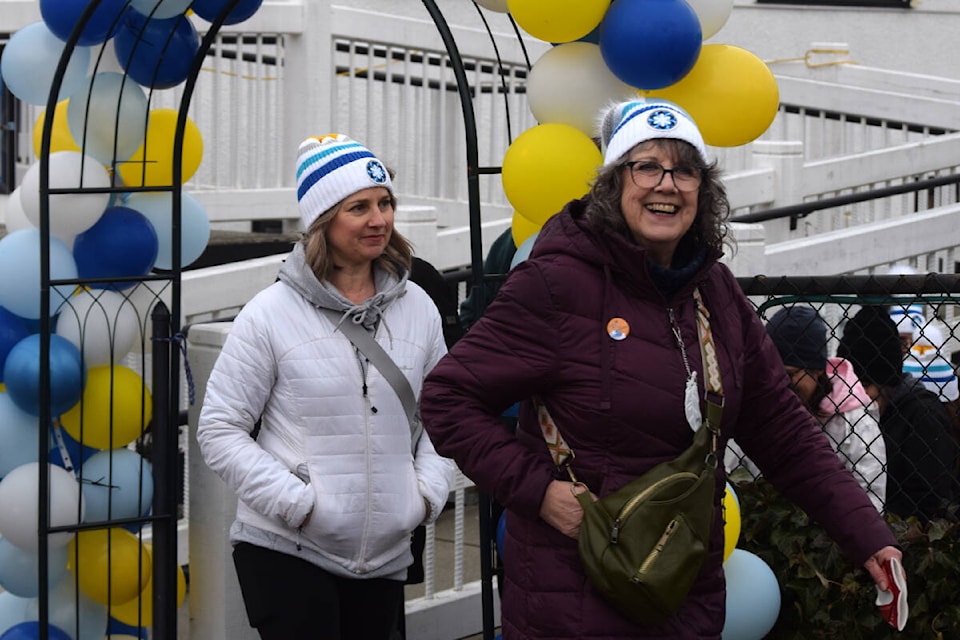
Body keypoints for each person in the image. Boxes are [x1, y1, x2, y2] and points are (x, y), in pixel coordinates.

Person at [419, 99, 902, 639]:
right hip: (575, 594)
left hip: (683, 592)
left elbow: (783, 431)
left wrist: (869, 537)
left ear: (704, 188)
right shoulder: (555, 285)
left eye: (685, 168)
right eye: (646, 165)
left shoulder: (716, 293)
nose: (666, 184)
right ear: (613, 182)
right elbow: (447, 399)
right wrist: (537, 491)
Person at [196, 134, 455, 640]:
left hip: (384, 554)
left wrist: (423, 496)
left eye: (385, 203)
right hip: (285, 550)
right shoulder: (269, 314)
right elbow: (219, 430)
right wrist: (300, 504)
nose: (379, 219)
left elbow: (442, 416)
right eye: (359, 207)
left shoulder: (419, 306)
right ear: (323, 220)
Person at [838, 305, 958, 522]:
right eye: (848, 384)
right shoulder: (847, 412)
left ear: (887, 384)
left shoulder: (922, 416)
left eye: (864, 384)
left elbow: (930, 500)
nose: (855, 395)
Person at [764, 305, 887, 511]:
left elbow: (870, 497)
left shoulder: (855, 421)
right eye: (771, 372)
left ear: (818, 370)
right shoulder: (763, 409)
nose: (780, 383)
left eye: (790, 373)